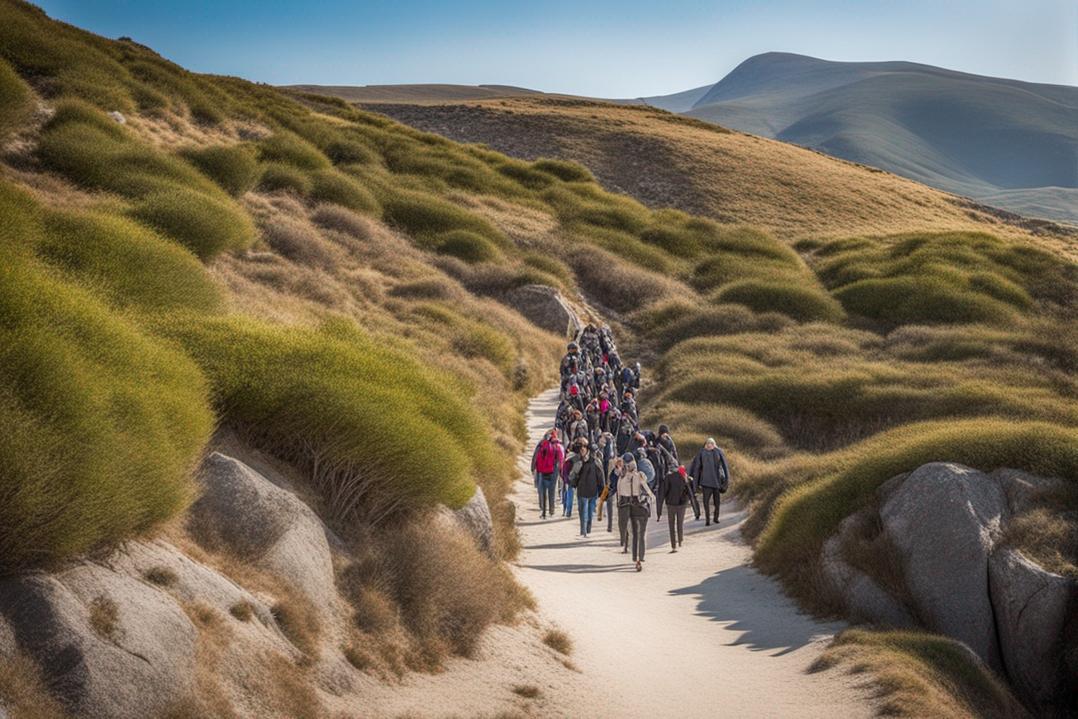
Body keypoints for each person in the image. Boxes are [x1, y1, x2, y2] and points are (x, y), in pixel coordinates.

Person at [618, 452, 655, 571]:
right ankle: (640, 558)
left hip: (632, 508)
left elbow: (621, 495)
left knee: (634, 534)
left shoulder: (623, 478)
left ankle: (636, 559)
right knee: (642, 534)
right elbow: (650, 494)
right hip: (643, 508)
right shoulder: (641, 476)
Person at [689, 437, 730, 526]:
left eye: (711, 443)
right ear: (705, 444)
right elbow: (697, 468)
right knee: (706, 502)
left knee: (717, 502)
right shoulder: (701, 452)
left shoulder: (718, 452)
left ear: (714, 444)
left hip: (716, 482)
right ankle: (707, 520)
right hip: (705, 482)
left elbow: (725, 466)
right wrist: (695, 485)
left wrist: (727, 480)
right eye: (708, 443)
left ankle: (716, 518)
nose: (709, 445)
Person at [569, 440, 604, 537]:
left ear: (587, 450)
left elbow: (600, 477)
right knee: (582, 512)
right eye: (581, 450)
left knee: (589, 513)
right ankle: (583, 531)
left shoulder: (595, 461)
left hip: (592, 491)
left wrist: (602, 491)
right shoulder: (578, 462)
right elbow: (572, 475)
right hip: (582, 490)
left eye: (584, 449)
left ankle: (587, 529)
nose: (582, 451)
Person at [656, 465, 692, 552]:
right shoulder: (685, 477)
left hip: (671, 504)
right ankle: (680, 541)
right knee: (680, 523)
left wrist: (659, 511)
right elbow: (690, 492)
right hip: (682, 504)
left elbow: (662, 493)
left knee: (671, 525)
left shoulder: (668, 477)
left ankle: (673, 546)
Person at [532, 429, 563, 520]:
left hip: (542, 471)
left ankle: (543, 510)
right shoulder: (558, 445)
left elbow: (535, 456)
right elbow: (561, 459)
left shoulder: (542, 444)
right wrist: (561, 470)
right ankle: (551, 510)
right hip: (554, 470)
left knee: (542, 490)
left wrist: (533, 468)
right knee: (552, 490)